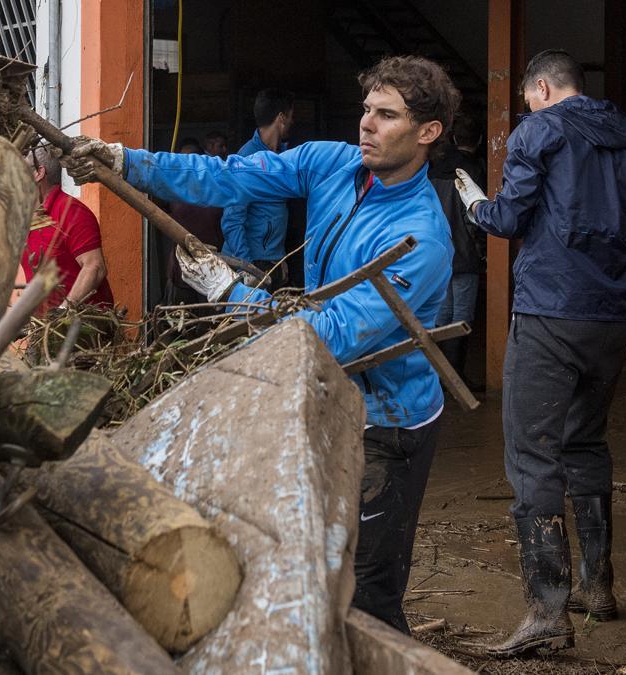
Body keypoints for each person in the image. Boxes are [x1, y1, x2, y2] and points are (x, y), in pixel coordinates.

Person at [64, 55, 459, 634]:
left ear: (428, 133)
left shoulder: (418, 237)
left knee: (367, 592)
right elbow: (231, 176)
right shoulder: (334, 164)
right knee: (314, 560)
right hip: (322, 395)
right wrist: (129, 163)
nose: (366, 125)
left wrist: (231, 292)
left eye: (387, 115)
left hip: (387, 423)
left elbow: (331, 337)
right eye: (367, 109)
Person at [454, 49, 626, 657]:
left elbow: (510, 219)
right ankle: (598, 587)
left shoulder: (538, 130)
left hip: (551, 311)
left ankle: (547, 607)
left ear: (541, 88)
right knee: (585, 442)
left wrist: (473, 204)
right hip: (614, 315)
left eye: (526, 98)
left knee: (531, 453)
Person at [428, 114, 485, 388]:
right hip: (465, 257)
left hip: (438, 255)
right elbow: (475, 219)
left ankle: (436, 377)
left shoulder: (434, 169)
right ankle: (456, 379)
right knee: (462, 316)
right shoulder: (476, 171)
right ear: (481, 140)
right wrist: (482, 251)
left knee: (441, 315)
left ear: (452, 138)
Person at [23, 145, 115, 311]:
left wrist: (63, 312)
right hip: (46, 331)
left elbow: (95, 267)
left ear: (39, 173)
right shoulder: (29, 218)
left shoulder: (70, 211)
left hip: (83, 329)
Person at [220, 89, 295, 288]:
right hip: (250, 264)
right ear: (281, 118)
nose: (292, 122)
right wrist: (247, 268)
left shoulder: (284, 157)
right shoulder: (248, 160)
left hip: (270, 260)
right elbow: (231, 220)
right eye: (291, 116)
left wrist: (279, 258)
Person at [163, 138, 224, 308]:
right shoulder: (173, 189)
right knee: (180, 326)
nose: (184, 164)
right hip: (180, 271)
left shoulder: (216, 189)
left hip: (213, 269)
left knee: (211, 325)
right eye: (181, 159)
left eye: (189, 159)